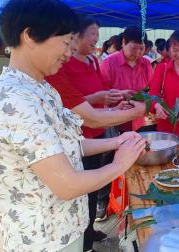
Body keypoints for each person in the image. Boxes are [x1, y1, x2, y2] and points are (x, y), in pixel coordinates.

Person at [0, 0, 146, 252]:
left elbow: (68, 144)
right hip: (43, 240)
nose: (69, 52)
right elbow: (67, 185)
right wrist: (121, 163)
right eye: (65, 43)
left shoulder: (42, 88)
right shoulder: (17, 102)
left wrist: (116, 141)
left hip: (65, 229)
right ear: (30, 36)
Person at [46, 16, 144, 251]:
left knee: (92, 189)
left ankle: (88, 232)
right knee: (86, 188)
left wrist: (112, 104)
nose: (95, 39)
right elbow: (81, 111)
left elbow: (94, 102)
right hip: (82, 134)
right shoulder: (56, 69)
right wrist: (132, 112)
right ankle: (86, 239)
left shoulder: (91, 61)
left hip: (92, 136)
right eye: (91, 34)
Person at [100, 26, 154, 132]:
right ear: (123, 42)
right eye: (134, 48)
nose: (138, 53)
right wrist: (120, 94)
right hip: (115, 123)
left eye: (141, 49)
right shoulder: (109, 63)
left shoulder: (146, 64)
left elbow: (152, 91)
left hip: (139, 121)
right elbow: (101, 95)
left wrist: (145, 103)